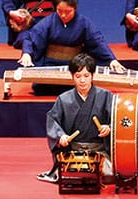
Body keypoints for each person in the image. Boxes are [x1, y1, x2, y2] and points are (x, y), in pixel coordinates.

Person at [18, 0, 125, 95]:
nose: (63, 15)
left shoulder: (84, 23)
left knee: (81, 84)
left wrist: (111, 60)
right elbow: (31, 37)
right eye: (60, 11)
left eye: (68, 11)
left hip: (74, 65)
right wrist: (27, 53)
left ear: (75, 9)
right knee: (40, 87)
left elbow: (97, 41)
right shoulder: (49, 21)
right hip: (50, 64)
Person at [38, 53, 114, 184]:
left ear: (93, 75)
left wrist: (109, 127)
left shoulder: (106, 96)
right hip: (73, 151)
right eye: (78, 76)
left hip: (99, 151)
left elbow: (117, 121)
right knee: (71, 174)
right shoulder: (64, 99)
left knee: (108, 174)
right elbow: (53, 120)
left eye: (86, 76)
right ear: (72, 76)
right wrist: (60, 136)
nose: (82, 80)